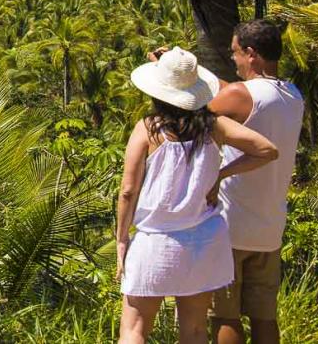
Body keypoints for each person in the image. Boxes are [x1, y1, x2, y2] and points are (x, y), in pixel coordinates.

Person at [117, 47, 280, 344]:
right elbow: (267, 150)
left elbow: (128, 190)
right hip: (204, 240)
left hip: (156, 239)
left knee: (134, 328)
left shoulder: (148, 129)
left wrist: (121, 239)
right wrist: (220, 174)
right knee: (194, 330)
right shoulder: (213, 126)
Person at [205, 20, 304, 344]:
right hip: (269, 229)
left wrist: (175, 75)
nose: (233, 60)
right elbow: (232, 92)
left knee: (224, 315)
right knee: (265, 317)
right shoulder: (292, 94)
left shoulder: (241, 95)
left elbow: (198, 112)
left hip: (231, 226)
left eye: (235, 53)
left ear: (251, 53)